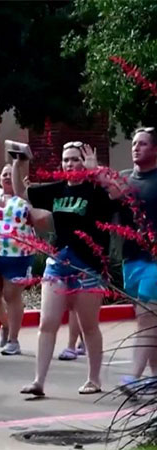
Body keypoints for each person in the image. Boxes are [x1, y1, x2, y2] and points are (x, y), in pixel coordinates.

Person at [14, 142, 116, 396]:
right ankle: (39, 381)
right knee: (47, 322)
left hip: (88, 266)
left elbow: (115, 197)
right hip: (58, 263)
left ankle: (94, 379)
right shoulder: (57, 190)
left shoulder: (96, 191)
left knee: (88, 325)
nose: (70, 164)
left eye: (75, 159)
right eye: (66, 160)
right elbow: (22, 194)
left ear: (85, 162)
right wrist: (17, 162)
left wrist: (97, 172)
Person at [117, 127, 157, 390]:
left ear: (155, 149)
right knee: (149, 320)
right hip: (131, 259)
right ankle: (155, 377)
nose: (136, 147)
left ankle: (135, 377)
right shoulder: (121, 180)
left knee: (146, 316)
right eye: (134, 143)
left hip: (154, 261)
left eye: (143, 143)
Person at [0, 163, 36, 356]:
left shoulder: (25, 199)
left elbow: (34, 217)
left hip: (18, 255)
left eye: (10, 174)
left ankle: (14, 340)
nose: (7, 177)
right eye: (4, 174)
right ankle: (6, 324)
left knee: (11, 296)